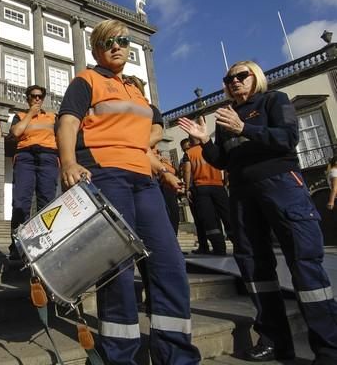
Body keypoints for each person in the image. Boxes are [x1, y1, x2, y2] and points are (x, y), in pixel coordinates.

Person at [57, 19, 200, 364]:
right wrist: (67, 163)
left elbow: (149, 135)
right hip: (106, 175)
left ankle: (177, 354)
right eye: (108, 42)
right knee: (118, 268)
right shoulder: (86, 81)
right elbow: (68, 122)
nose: (117, 46)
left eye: (122, 41)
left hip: (143, 180)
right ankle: (121, 355)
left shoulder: (137, 91)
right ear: (96, 50)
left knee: (169, 263)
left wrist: (159, 166)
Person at [179, 60, 337, 364]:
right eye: (228, 78)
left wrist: (244, 127)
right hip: (241, 192)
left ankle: (328, 347)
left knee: (304, 261)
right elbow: (222, 161)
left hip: (281, 185)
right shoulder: (228, 116)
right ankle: (274, 341)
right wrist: (206, 142)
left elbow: (287, 138)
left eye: (241, 76)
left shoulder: (272, 100)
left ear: (256, 77)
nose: (234, 81)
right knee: (253, 268)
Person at [8, 85, 59, 260]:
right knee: (21, 202)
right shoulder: (20, 116)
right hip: (25, 158)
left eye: (40, 96)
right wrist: (30, 113)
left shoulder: (53, 117)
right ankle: (17, 246)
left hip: (48, 158)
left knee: (47, 203)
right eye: (33, 96)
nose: (37, 99)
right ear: (27, 98)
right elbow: (15, 132)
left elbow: (62, 136)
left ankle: (45, 244)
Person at [184, 137, 230, 255]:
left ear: (190, 141)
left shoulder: (189, 153)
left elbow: (187, 171)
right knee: (227, 215)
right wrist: (225, 180)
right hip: (218, 186)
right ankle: (240, 243)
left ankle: (219, 248)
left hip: (201, 188)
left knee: (210, 219)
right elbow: (225, 165)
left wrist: (187, 188)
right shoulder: (212, 148)